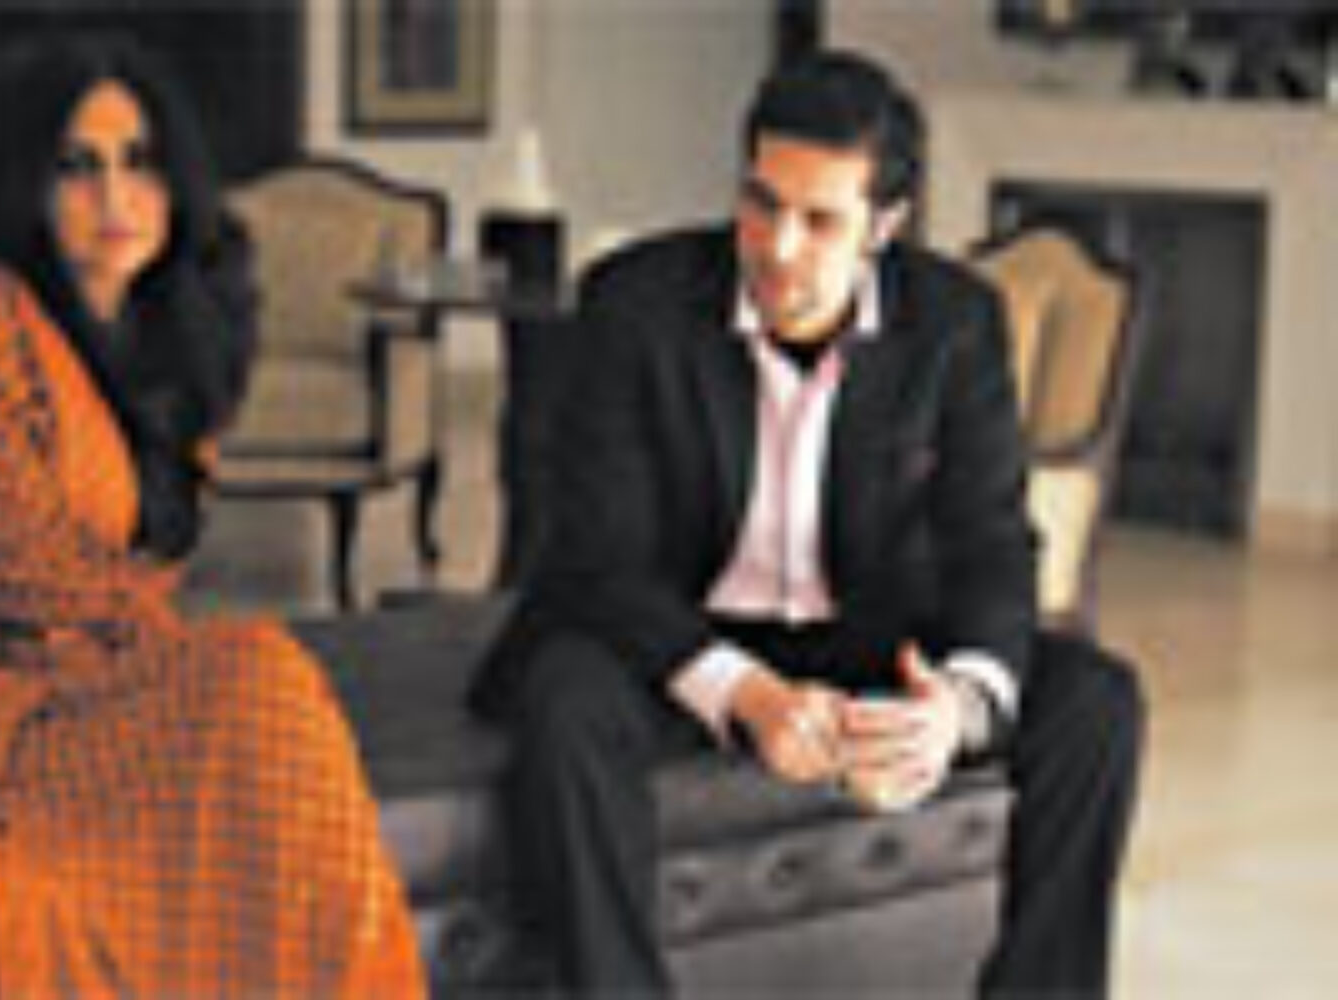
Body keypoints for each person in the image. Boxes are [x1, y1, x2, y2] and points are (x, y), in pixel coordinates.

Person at [0, 34, 424, 998]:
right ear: (30, 183)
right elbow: (21, 568)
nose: (116, 198)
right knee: (255, 683)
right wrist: (158, 662)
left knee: (264, 699)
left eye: (139, 162)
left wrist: (154, 661)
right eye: (78, 166)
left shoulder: (175, 339)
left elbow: (144, 574)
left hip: (67, 684)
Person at [471, 49, 1145, 998]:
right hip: (675, 636)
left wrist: (952, 710)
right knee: (564, 699)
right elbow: (599, 558)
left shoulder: (956, 322)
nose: (778, 246)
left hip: (868, 638)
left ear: (886, 225)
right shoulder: (634, 300)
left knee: (1097, 704)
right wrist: (749, 696)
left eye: (821, 220)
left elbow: (992, 545)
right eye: (761, 201)